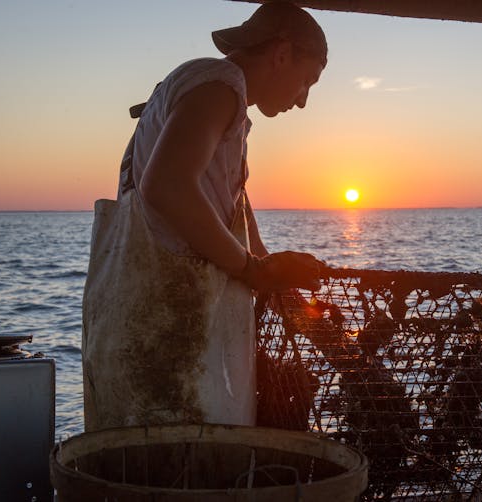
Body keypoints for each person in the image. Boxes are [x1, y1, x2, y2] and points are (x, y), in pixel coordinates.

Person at [82, 1, 328, 432]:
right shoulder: (219, 86)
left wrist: (276, 280)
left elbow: (229, 210)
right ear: (282, 53)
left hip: (148, 347)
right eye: (307, 80)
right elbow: (167, 186)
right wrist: (252, 270)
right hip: (164, 354)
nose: (304, 101)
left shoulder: (212, 96)